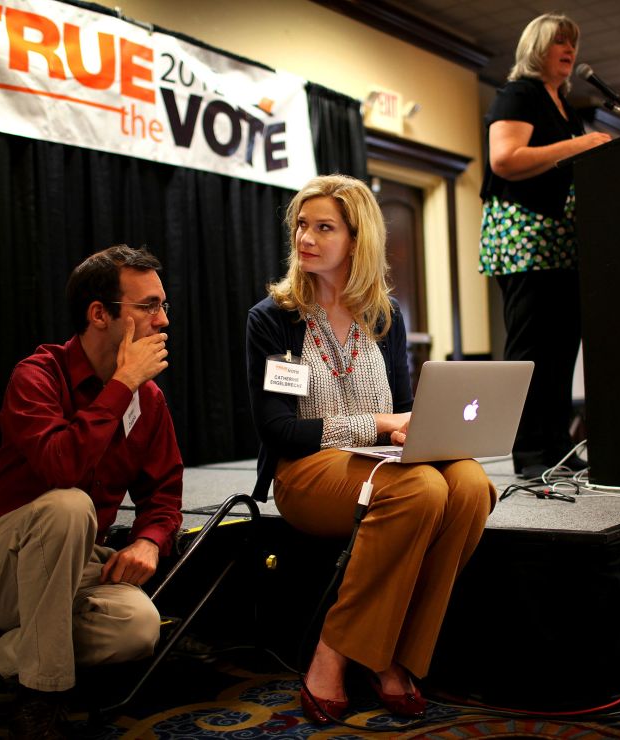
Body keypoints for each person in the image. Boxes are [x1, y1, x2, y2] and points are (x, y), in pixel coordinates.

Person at [247, 175, 496, 724]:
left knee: (472, 485)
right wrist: (379, 426)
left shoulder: (385, 315)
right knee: (421, 488)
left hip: (378, 465)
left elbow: (407, 411)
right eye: (301, 226)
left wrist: (415, 432)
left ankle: (398, 654)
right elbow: (279, 431)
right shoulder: (274, 319)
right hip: (305, 475)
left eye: (323, 227)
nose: (305, 238)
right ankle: (333, 652)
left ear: (358, 241)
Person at [0, 245, 183, 739]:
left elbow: (165, 493)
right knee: (69, 504)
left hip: (75, 567)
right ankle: (43, 700)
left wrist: (149, 539)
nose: (163, 320)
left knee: (138, 628)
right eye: (149, 306)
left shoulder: (149, 400)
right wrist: (122, 383)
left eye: (163, 306)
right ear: (99, 314)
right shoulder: (37, 375)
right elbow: (62, 465)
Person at [478, 13, 611, 478]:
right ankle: (531, 453)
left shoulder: (564, 106)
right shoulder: (520, 93)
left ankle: (557, 446)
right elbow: (505, 159)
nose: (569, 48)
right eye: (559, 40)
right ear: (537, 47)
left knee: (561, 348)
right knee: (532, 349)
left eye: (573, 41)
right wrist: (580, 146)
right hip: (522, 238)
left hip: (561, 242)